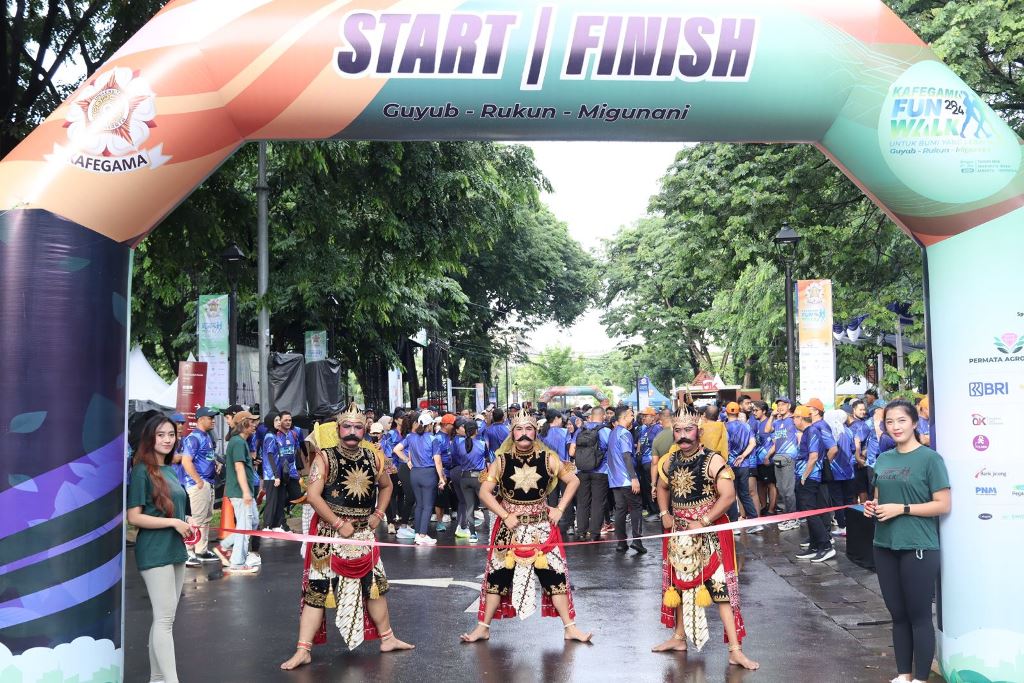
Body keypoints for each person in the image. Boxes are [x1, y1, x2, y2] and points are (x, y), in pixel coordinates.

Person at [280, 405, 414, 670]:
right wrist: (338, 523)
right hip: (329, 535)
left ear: (364, 429)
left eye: (358, 427)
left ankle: (387, 638)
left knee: (375, 588)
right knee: (316, 593)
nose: (352, 432)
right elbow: (314, 496)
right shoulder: (324, 458)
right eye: (347, 427)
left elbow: (386, 486)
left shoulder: (374, 455)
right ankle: (303, 650)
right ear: (339, 429)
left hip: (364, 533)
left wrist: (378, 514)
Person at [459, 410, 592, 644]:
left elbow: (574, 480)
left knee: (555, 577)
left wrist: (559, 508)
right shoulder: (501, 461)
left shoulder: (548, 458)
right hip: (509, 531)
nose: (524, 434)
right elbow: (485, 493)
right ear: (513, 433)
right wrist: (504, 514)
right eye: (519, 430)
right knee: (496, 579)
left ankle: (570, 628)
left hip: (541, 529)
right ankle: (483, 628)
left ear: (535, 432)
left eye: (528, 429)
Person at [651, 413, 758, 671]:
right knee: (677, 589)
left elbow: (728, 496)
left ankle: (735, 650)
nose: (683, 435)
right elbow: (662, 488)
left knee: (721, 593)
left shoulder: (713, 460)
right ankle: (679, 638)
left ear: (698, 432)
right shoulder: (669, 460)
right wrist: (665, 513)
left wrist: (705, 521)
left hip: (710, 537)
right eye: (678, 430)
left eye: (689, 430)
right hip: (679, 535)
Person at [865, 400, 951, 683]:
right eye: (890, 422)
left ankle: (921, 678)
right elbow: (880, 498)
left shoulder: (930, 459)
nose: (895, 427)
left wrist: (901, 509)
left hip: (919, 546)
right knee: (897, 613)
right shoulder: (884, 459)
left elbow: (943, 504)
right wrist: (872, 506)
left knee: (919, 615)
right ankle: (903, 674)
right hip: (884, 544)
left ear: (914, 423)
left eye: (901, 420)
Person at [126, 415, 192, 683]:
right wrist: (174, 522)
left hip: (174, 549)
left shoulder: (168, 470)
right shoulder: (142, 470)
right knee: (164, 620)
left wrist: (185, 521)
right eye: (161, 434)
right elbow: (134, 516)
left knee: (165, 620)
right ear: (149, 438)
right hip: (154, 551)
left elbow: (174, 510)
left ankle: (157, 679)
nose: (167, 439)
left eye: (172, 434)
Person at [392, 411, 446, 546]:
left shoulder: (410, 437)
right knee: (427, 505)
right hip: (428, 474)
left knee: (419, 504)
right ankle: (422, 535)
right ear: (430, 425)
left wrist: (407, 460)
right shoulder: (434, 439)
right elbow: (437, 461)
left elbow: (396, 449)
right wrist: (441, 478)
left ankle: (418, 533)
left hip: (415, 473)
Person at [179, 406, 220, 567]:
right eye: (210, 418)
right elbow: (186, 461)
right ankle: (188, 551)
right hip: (198, 485)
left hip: (208, 483)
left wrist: (215, 463)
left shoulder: (207, 436)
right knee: (196, 519)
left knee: (206, 518)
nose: (213, 420)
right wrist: (198, 481)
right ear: (201, 419)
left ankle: (201, 550)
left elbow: (205, 457)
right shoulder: (194, 437)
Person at [792, 406, 834, 562]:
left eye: (795, 417)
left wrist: (804, 476)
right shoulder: (807, 433)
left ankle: (825, 545)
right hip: (806, 477)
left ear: (801, 418)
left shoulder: (812, 431)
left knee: (811, 512)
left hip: (810, 478)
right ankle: (815, 545)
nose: (793, 421)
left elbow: (814, 456)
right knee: (808, 512)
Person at [223, 410, 261, 574]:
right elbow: (239, 468)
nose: (254, 425)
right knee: (245, 528)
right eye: (251, 422)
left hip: (244, 492)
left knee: (251, 524)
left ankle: (224, 547)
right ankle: (238, 563)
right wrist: (246, 492)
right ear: (244, 423)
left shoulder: (241, 442)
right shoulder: (238, 442)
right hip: (240, 493)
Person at [569, 406, 611, 541]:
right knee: (598, 502)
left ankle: (581, 532)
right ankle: (594, 533)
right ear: (603, 416)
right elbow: (611, 450)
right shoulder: (606, 431)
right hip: (601, 470)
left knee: (582, 502)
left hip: (582, 470)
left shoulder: (581, 430)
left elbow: (571, 452)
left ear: (591, 416)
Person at [607, 405, 645, 553]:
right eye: (630, 415)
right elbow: (626, 456)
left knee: (620, 509)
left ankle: (621, 542)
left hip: (615, 479)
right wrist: (634, 477)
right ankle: (637, 540)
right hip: (626, 479)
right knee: (636, 507)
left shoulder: (613, 432)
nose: (633, 418)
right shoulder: (624, 433)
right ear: (622, 417)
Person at [724, 402, 761, 533]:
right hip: (744, 465)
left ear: (726, 413)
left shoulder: (724, 427)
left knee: (731, 494)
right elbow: (753, 443)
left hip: (729, 465)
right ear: (738, 412)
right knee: (745, 494)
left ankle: (734, 525)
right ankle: (755, 521)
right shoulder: (746, 426)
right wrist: (743, 456)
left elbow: (724, 447)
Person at [764, 398, 800, 531]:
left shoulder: (793, 420)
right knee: (782, 490)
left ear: (789, 406)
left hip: (789, 459)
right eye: (778, 405)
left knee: (789, 491)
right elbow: (767, 430)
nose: (780, 407)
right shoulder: (778, 422)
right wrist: (772, 416)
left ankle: (793, 518)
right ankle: (788, 517)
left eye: (783, 404)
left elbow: (801, 435)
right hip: (778, 459)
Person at [540, 409, 575, 536]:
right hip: (564, 468)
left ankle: (552, 525)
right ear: (556, 418)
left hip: (548, 469)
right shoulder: (565, 432)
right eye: (561, 419)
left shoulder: (542, 434)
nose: (562, 421)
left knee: (552, 498)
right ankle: (570, 525)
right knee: (567, 497)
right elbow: (570, 450)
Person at [825, 409, 859, 538]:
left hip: (835, 471)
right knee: (849, 499)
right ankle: (850, 525)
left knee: (837, 500)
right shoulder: (849, 431)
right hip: (849, 471)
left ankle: (842, 526)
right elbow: (853, 449)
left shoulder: (832, 432)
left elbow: (831, 450)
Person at [453, 419, 488, 542]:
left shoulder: (459, 445)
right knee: (487, 504)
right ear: (476, 431)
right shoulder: (482, 444)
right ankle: (493, 529)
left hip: (464, 477)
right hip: (478, 478)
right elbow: (487, 459)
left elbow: (456, 458)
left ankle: (472, 534)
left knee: (469, 507)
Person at [750, 401, 777, 516]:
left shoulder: (769, 423)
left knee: (771, 484)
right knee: (760, 484)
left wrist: (768, 456)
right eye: (753, 410)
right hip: (758, 460)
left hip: (768, 461)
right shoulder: (756, 423)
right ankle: (763, 506)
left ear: (764, 411)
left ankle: (771, 509)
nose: (754, 412)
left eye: (756, 410)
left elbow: (776, 443)